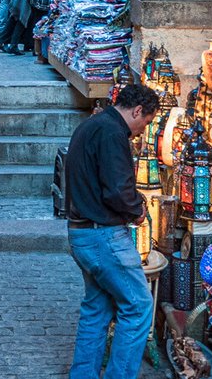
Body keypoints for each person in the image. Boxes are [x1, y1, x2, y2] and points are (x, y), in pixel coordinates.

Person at [63, 83, 158, 379]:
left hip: (81, 233)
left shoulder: (92, 125)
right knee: (139, 307)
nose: (143, 130)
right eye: (146, 122)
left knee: (97, 308)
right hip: (102, 236)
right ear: (138, 110)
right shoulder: (112, 133)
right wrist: (137, 209)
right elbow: (118, 191)